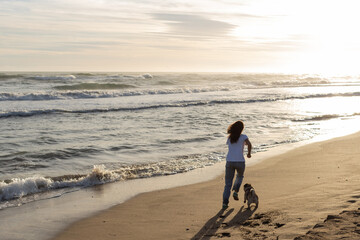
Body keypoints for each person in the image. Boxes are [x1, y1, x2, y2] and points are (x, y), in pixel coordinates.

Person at [222, 120, 252, 210]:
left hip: (230, 162)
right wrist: (249, 153)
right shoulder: (243, 137)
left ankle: (225, 203)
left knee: (228, 184)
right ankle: (236, 191)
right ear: (242, 129)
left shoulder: (229, 138)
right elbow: (249, 144)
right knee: (239, 176)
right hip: (240, 162)